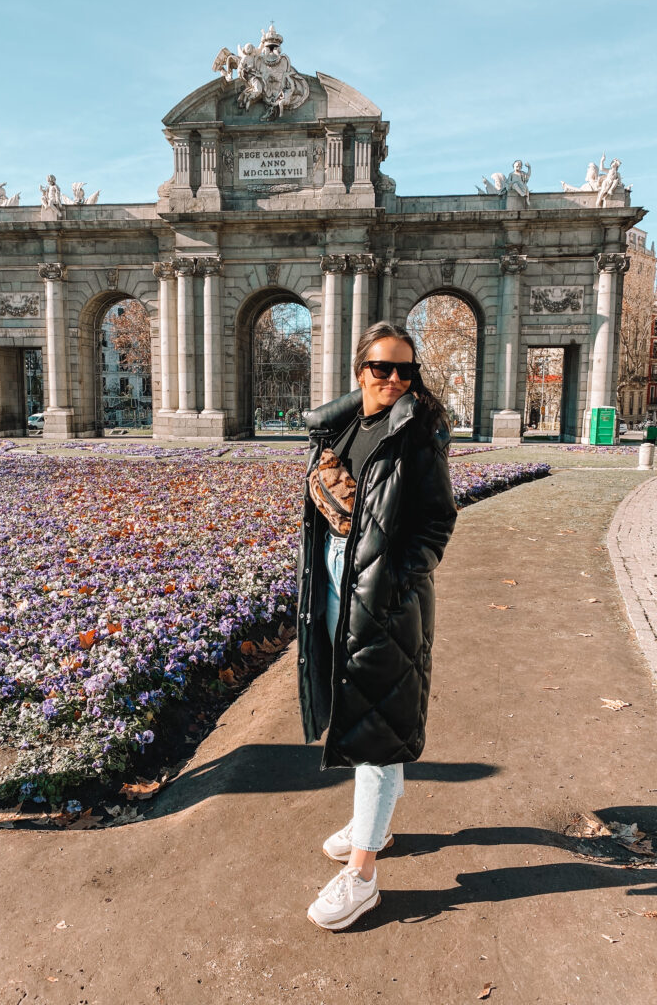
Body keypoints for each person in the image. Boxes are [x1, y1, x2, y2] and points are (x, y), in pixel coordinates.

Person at [297, 321, 458, 931]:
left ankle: (362, 876)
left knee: (377, 726)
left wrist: (396, 581)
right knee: (363, 707)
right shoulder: (341, 428)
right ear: (359, 371)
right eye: (382, 368)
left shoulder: (418, 432)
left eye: (405, 370)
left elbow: (437, 522)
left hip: (385, 595)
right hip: (336, 580)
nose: (394, 379)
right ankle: (378, 826)